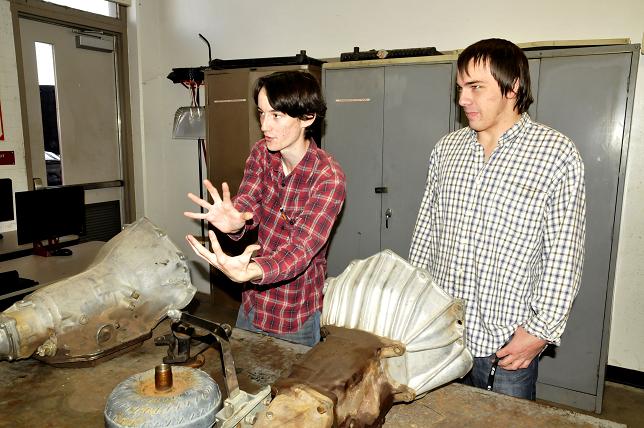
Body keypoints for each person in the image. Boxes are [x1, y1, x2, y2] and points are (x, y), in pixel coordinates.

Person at [409, 38, 586, 400]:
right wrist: (414, 307)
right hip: (442, 336)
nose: (463, 100)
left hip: (506, 345)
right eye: (460, 88)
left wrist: (540, 331)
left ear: (512, 88)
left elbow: (563, 254)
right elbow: (426, 234)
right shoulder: (447, 150)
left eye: (476, 87)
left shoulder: (555, 154)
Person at [184, 70, 346, 347]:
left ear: (307, 117)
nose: (264, 126)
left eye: (276, 115)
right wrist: (235, 222)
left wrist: (253, 270)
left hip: (294, 314)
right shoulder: (262, 153)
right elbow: (249, 202)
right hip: (252, 305)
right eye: (261, 113)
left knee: (292, 390)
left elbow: (301, 249)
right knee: (245, 384)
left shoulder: (328, 178)